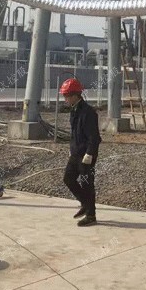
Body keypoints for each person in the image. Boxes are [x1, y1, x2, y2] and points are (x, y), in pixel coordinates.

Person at [60, 77, 102, 226]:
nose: (65, 99)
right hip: (76, 152)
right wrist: (71, 149)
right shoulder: (74, 110)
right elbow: (74, 134)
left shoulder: (88, 112)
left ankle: (91, 215)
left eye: (66, 96)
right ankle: (85, 204)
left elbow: (94, 137)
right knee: (68, 179)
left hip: (86, 155)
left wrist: (89, 153)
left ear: (74, 95)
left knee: (86, 184)